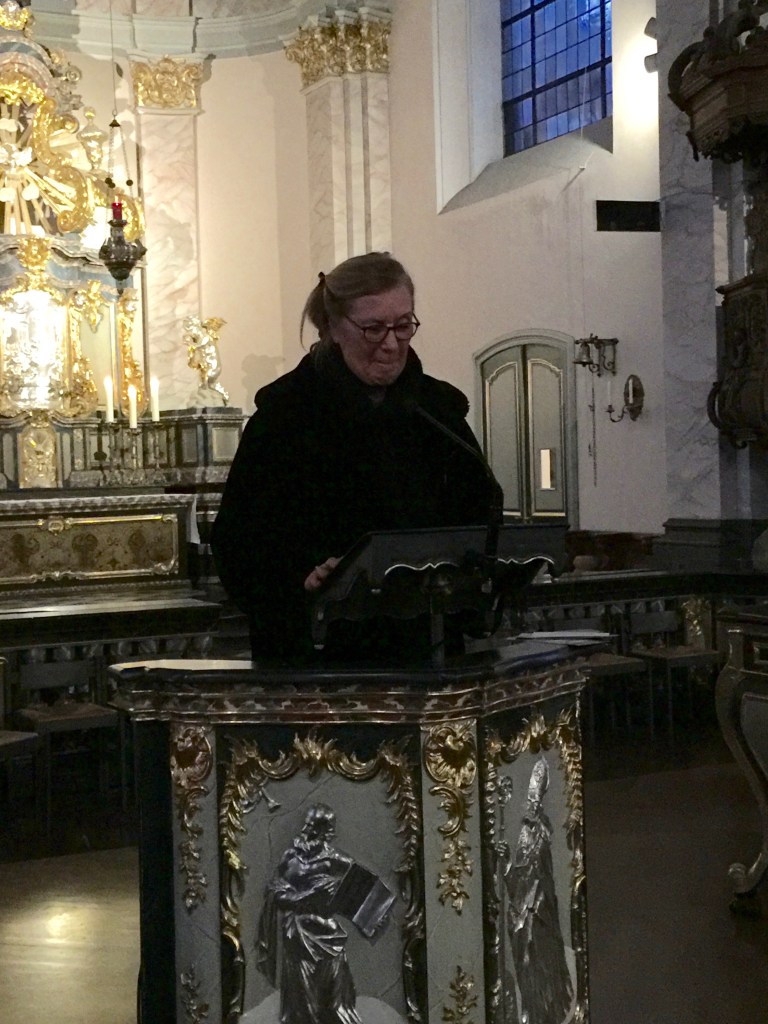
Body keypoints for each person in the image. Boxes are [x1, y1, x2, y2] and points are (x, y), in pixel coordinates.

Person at [211, 251, 497, 661]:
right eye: (373, 328)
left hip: (425, 648)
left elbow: (479, 513)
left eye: (403, 325)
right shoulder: (284, 417)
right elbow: (240, 545)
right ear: (332, 328)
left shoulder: (439, 411)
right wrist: (303, 576)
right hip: (319, 656)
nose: (391, 344)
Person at [255, 804, 362, 1024]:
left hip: (328, 935)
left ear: (325, 832)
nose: (305, 830)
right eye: (306, 824)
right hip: (298, 935)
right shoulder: (291, 858)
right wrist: (306, 896)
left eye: (312, 827)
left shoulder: (338, 862)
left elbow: (363, 893)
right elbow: (274, 891)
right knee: (301, 1002)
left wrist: (337, 893)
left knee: (335, 997)